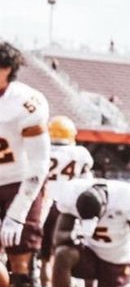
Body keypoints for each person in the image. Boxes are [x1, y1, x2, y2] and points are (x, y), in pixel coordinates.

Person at [0, 42, 51, 287]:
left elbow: (40, 162)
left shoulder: (24, 101)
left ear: (7, 69)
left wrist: (17, 213)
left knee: (21, 262)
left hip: (19, 182)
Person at [51, 178, 130, 287]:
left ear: (105, 206)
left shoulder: (127, 197)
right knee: (62, 254)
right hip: (89, 254)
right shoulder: (73, 193)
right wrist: (76, 233)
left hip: (117, 258)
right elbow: (58, 237)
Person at [40, 115, 96, 285]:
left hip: (45, 205)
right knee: (79, 250)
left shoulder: (42, 150)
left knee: (45, 258)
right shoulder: (80, 153)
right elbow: (88, 183)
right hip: (70, 208)